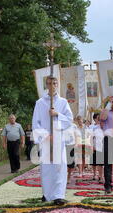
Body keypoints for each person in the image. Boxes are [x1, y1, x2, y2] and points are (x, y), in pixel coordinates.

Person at [32, 76, 73, 205]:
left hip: (59, 139)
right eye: (49, 83)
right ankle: (47, 194)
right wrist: (45, 135)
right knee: (47, 167)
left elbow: (69, 119)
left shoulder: (63, 102)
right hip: (46, 140)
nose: (52, 85)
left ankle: (58, 195)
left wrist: (57, 115)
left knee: (59, 167)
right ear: (46, 85)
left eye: (55, 83)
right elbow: (35, 123)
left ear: (57, 85)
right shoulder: (40, 103)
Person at [89, 113, 104, 182]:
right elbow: (91, 138)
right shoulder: (93, 127)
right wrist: (92, 146)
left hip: (102, 147)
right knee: (94, 162)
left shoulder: (105, 127)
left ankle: (101, 176)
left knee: (101, 163)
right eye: (98, 118)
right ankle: (95, 175)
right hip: (95, 147)